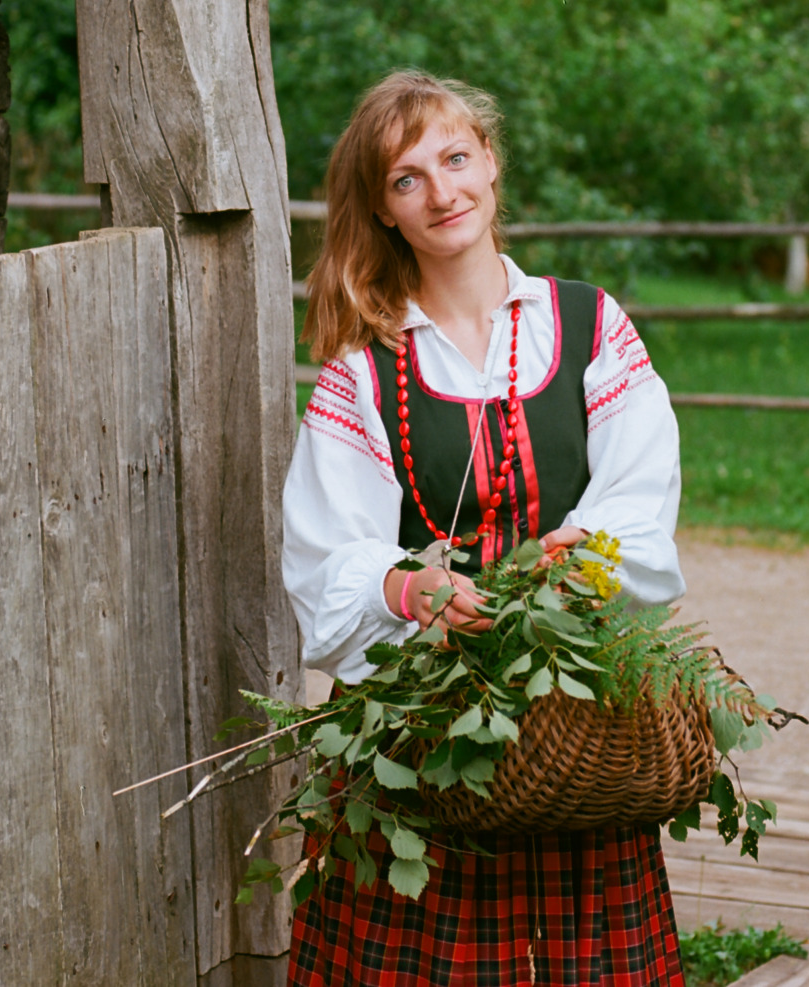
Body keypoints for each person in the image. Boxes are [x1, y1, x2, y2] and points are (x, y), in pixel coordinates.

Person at [281, 69, 688, 985]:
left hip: (575, 729)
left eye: (455, 158)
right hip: (420, 735)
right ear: (385, 210)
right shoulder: (363, 370)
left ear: (492, 164)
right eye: (407, 178)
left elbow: (639, 494)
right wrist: (409, 587)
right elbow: (325, 551)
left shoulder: (590, 326)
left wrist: (580, 562)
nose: (442, 191)